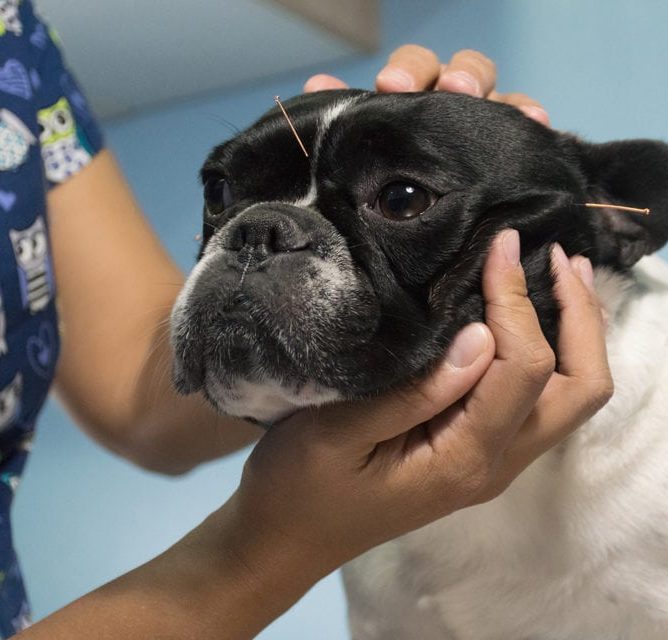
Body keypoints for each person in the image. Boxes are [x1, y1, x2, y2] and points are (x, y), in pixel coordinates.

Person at [1, 3, 612, 638]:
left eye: (401, 199)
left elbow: (141, 397)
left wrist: (494, 158)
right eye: (226, 198)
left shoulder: (16, 37)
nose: (253, 238)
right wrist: (262, 549)